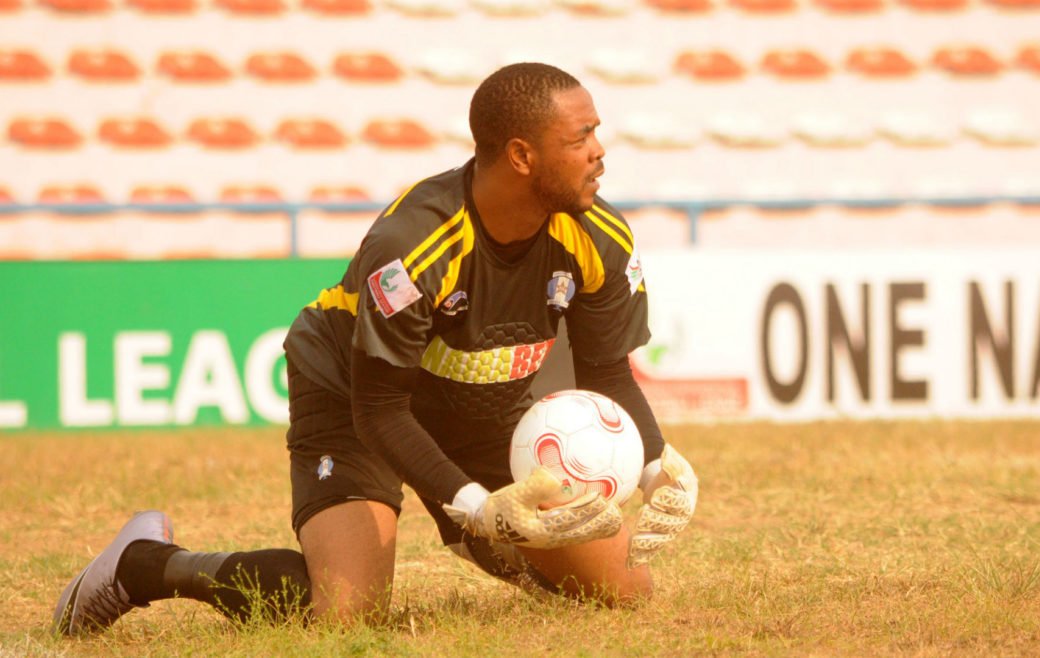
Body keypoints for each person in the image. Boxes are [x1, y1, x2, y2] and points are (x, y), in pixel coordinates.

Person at [53, 62, 699, 635]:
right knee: (346, 614)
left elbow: (608, 372)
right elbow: (382, 409)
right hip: (356, 390)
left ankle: (513, 559)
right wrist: (476, 506)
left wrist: (654, 467)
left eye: (596, 133)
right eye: (580, 137)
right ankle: (146, 564)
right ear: (522, 156)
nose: (600, 151)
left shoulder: (600, 236)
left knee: (620, 593)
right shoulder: (414, 245)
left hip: (476, 405)